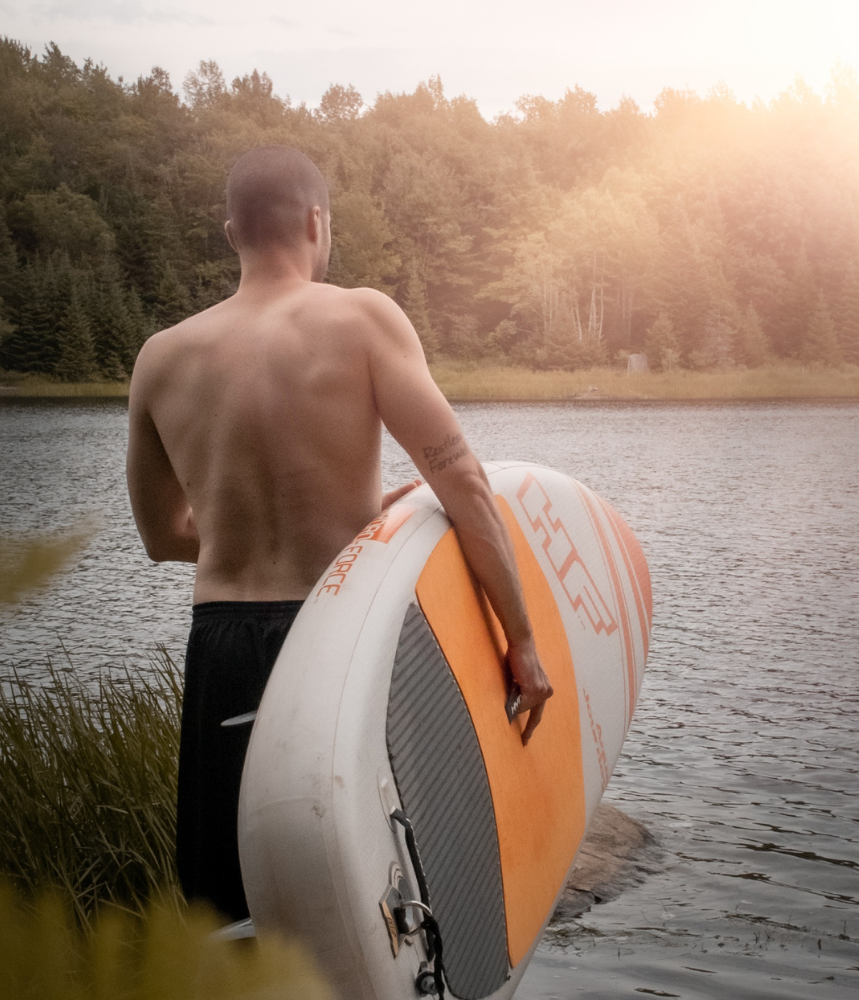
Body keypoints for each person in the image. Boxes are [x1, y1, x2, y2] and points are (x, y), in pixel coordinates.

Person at [126, 145, 553, 923]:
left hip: (220, 640)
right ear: (317, 222)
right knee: (379, 883)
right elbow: (464, 486)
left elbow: (163, 537)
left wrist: (231, 532)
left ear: (232, 234)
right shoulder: (361, 318)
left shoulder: (162, 358)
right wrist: (519, 638)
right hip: (336, 626)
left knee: (229, 906)